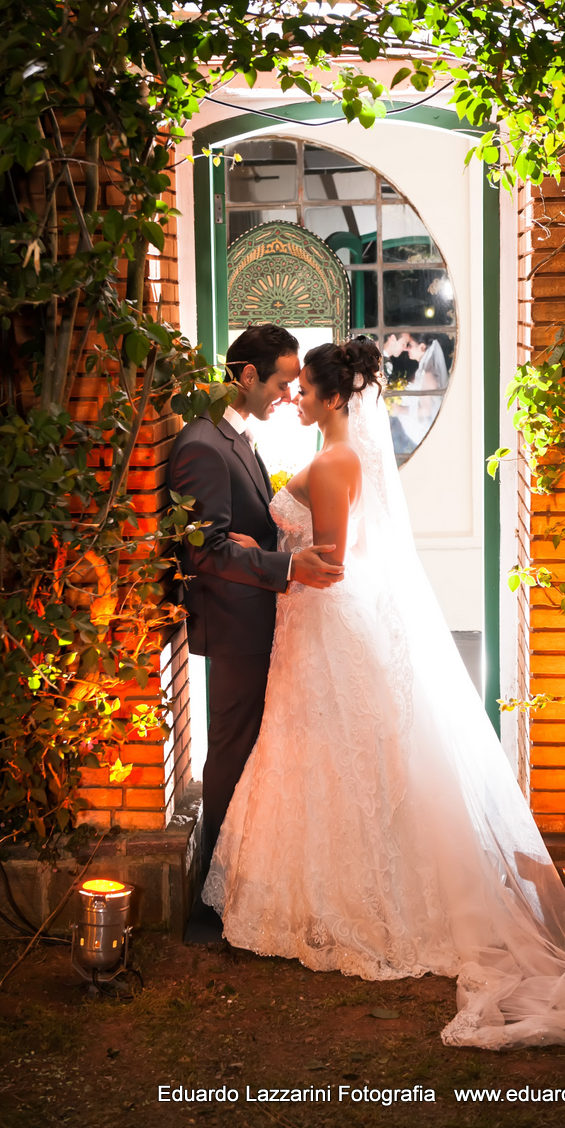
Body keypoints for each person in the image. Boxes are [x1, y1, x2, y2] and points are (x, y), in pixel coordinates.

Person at [202, 337, 565, 1049]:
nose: (298, 398)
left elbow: (331, 561)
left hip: (323, 621)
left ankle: (351, 903)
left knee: (333, 758)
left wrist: (264, 554)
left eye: (306, 389)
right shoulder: (341, 454)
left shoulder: (336, 460)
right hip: (310, 626)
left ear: (333, 397)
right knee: (330, 758)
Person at [166, 324, 344, 942]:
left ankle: (239, 885)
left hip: (258, 613)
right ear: (246, 376)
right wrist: (285, 564)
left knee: (249, 752)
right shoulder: (202, 445)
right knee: (230, 752)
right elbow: (205, 551)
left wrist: (272, 542)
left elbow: (240, 530)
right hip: (234, 623)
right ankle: (209, 904)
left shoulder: (235, 434)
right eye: (282, 382)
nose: (289, 395)